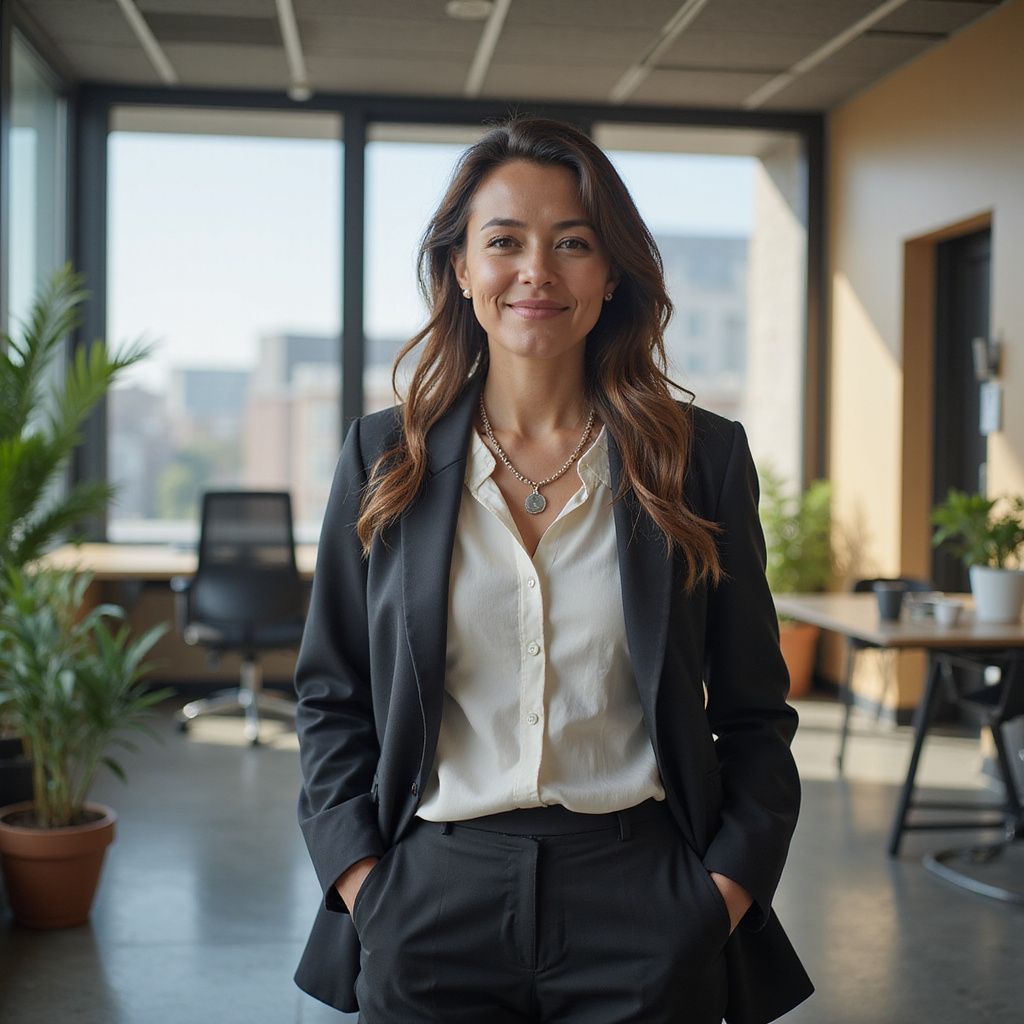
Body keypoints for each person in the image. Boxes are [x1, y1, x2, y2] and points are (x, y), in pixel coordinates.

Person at [293, 116, 813, 1024]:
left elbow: (754, 712)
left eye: (573, 243)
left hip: (645, 895)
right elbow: (332, 693)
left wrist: (716, 898)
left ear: (611, 273)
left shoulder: (700, 462)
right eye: (505, 242)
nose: (537, 271)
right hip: (430, 896)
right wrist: (364, 886)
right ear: (460, 268)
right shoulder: (384, 458)